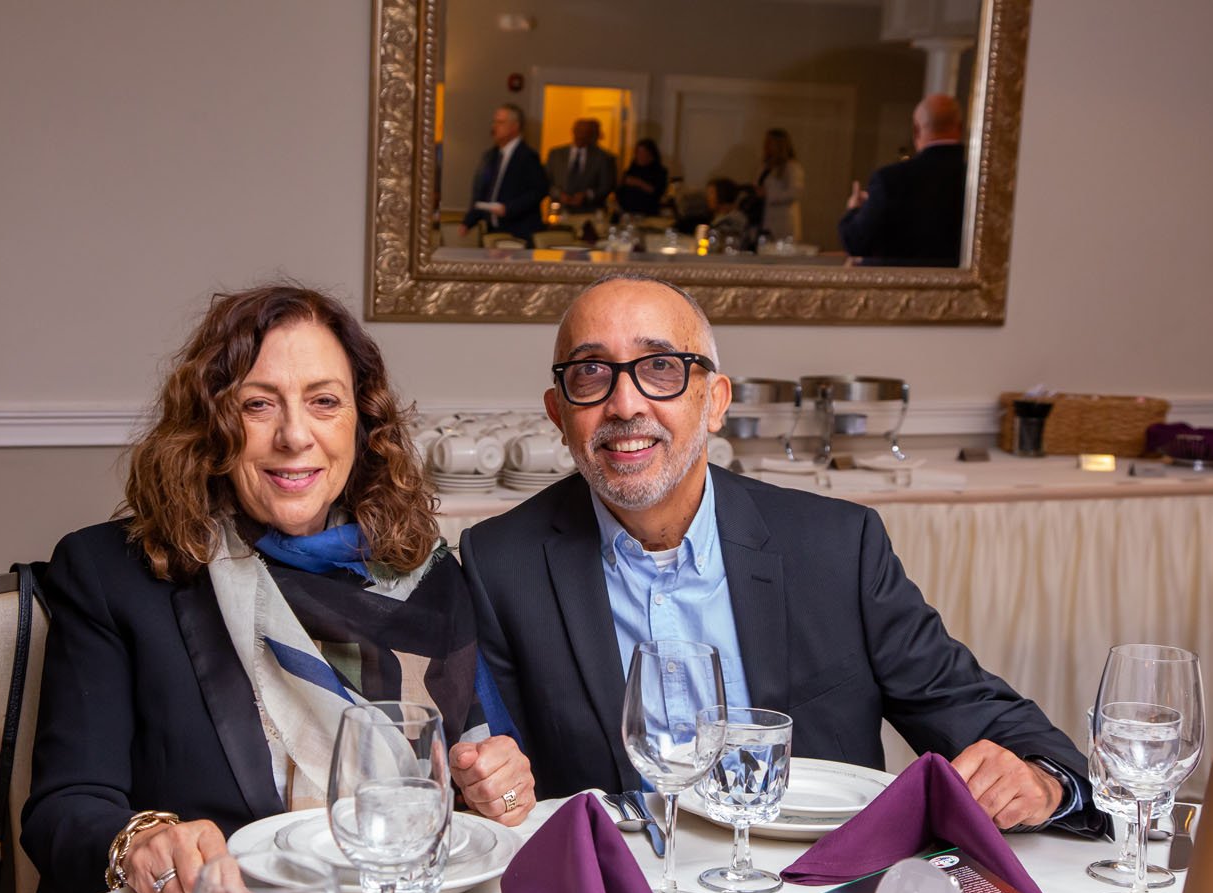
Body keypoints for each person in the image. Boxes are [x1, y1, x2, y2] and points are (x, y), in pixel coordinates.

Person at [458, 274, 1104, 837]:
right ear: (558, 412)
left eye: (660, 368)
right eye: (591, 373)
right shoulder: (501, 567)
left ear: (714, 402)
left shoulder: (835, 548)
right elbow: (505, 792)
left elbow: (998, 725)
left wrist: (1044, 785)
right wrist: (495, 791)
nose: (625, 404)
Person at [22, 286, 535, 893]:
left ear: (362, 424)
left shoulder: (425, 573)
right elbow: (63, 810)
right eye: (258, 404)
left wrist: (497, 787)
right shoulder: (113, 574)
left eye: (324, 402)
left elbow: (467, 803)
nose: (295, 435)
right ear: (211, 425)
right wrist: (142, 843)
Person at [838, 93, 966, 266]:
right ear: (960, 127)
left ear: (916, 130)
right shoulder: (981, 181)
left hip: (900, 288)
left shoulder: (889, 180)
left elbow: (856, 242)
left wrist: (854, 210)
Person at [460, 103, 548, 245]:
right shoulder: (490, 156)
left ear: (515, 126)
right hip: (493, 229)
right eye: (494, 122)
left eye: (500, 122)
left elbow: (539, 191)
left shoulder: (528, 157)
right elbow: (482, 192)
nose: (494, 126)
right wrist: (468, 222)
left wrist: (509, 208)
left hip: (519, 231)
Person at [546, 118, 618, 213]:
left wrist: (587, 195)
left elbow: (606, 186)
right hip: (560, 211)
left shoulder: (603, 157)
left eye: (586, 132)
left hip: (589, 212)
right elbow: (545, 181)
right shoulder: (556, 155)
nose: (581, 136)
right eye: (579, 131)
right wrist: (559, 194)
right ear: (573, 131)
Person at [757, 127, 804, 243]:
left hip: (782, 220)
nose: (765, 146)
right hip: (764, 218)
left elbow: (795, 193)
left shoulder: (791, 167)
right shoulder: (765, 166)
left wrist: (769, 194)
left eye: (769, 143)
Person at [615, 139, 668, 218]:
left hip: (648, 214)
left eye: (643, 153)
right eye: (638, 153)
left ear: (650, 154)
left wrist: (638, 183)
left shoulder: (659, 171)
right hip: (627, 213)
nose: (639, 156)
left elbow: (657, 192)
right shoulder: (631, 169)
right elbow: (619, 191)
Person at [705, 177, 750, 249]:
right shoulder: (721, 219)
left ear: (722, 194)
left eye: (711, 193)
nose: (707, 197)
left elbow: (718, 249)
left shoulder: (732, 222)